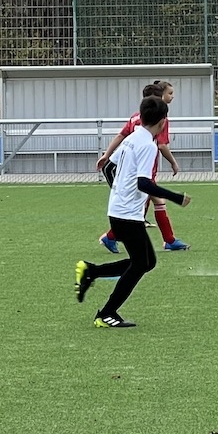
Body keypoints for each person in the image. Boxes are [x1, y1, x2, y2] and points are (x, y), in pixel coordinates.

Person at [74, 95, 191, 327]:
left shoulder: (132, 137)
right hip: (126, 214)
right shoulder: (148, 145)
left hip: (119, 210)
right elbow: (143, 183)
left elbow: (109, 166)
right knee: (140, 264)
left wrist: (118, 192)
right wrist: (176, 197)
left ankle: (91, 271)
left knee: (147, 262)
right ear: (163, 122)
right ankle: (106, 313)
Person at [97, 80, 189, 252]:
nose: (172, 97)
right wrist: (174, 163)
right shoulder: (160, 121)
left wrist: (107, 155)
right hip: (144, 170)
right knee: (143, 205)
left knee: (150, 203)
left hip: (131, 173)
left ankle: (168, 239)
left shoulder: (135, 118)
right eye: (169, 93)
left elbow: (121, 136)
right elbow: (161, 145)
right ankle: (111, 237)